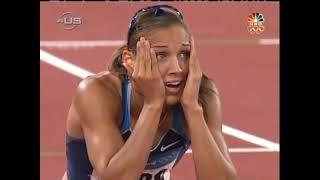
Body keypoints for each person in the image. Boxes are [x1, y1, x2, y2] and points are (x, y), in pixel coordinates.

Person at [62, 4, 237, 180]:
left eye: (183, 54)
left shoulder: (201, 95)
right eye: (161, 55)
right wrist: (153, 105)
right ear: (130, 60)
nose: (176, 68)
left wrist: (192, 108)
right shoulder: (97, 93)